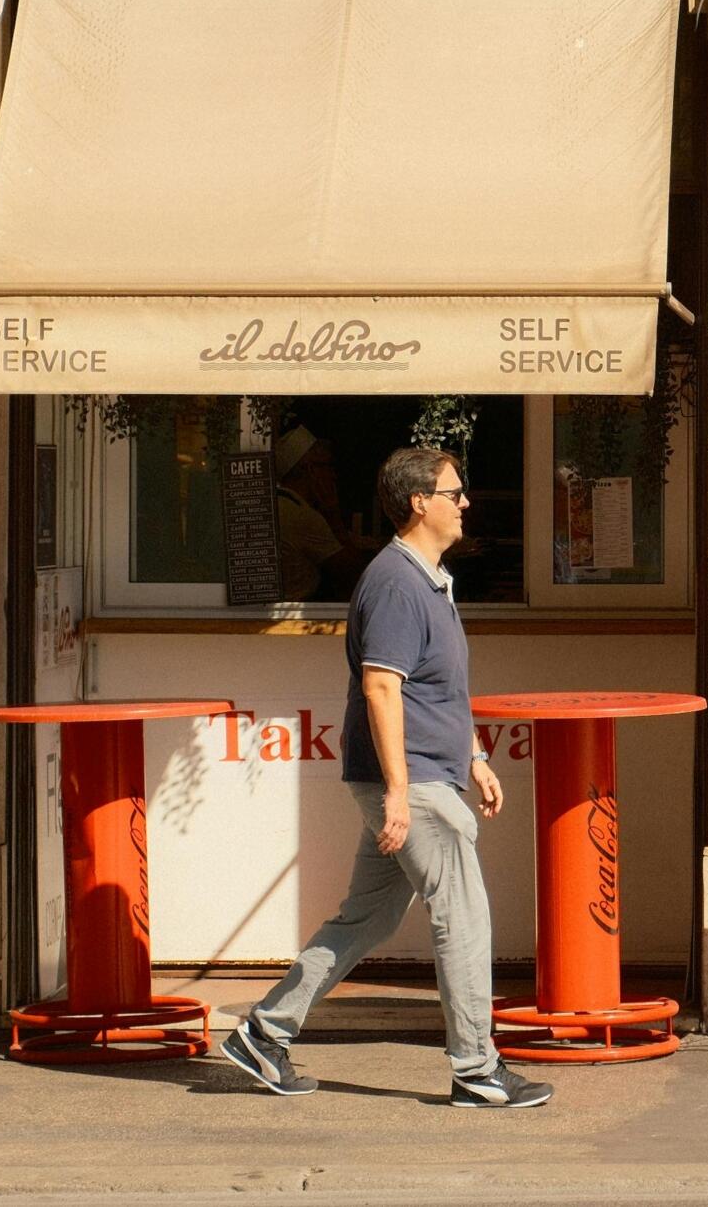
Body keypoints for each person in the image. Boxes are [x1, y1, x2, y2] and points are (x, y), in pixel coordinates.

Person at [221, 445, 552, 1110]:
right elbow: (381, 689)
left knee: (365, 920)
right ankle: (477, 1069)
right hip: (414, 784)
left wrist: (476, 755)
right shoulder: (398, 581)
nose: (465, 502)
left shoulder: (425, 577)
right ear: (417, 503)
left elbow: (436, 690)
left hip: (424, 774)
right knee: (463, 917)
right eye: (454, 492)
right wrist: (401, 790)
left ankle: (265, 1032)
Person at [273, 426, 370, 602]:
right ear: (311, 469)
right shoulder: (301, 515)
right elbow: (353, 573)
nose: (333, 475)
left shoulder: (280, 505)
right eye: (328, 466)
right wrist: (333, 512)